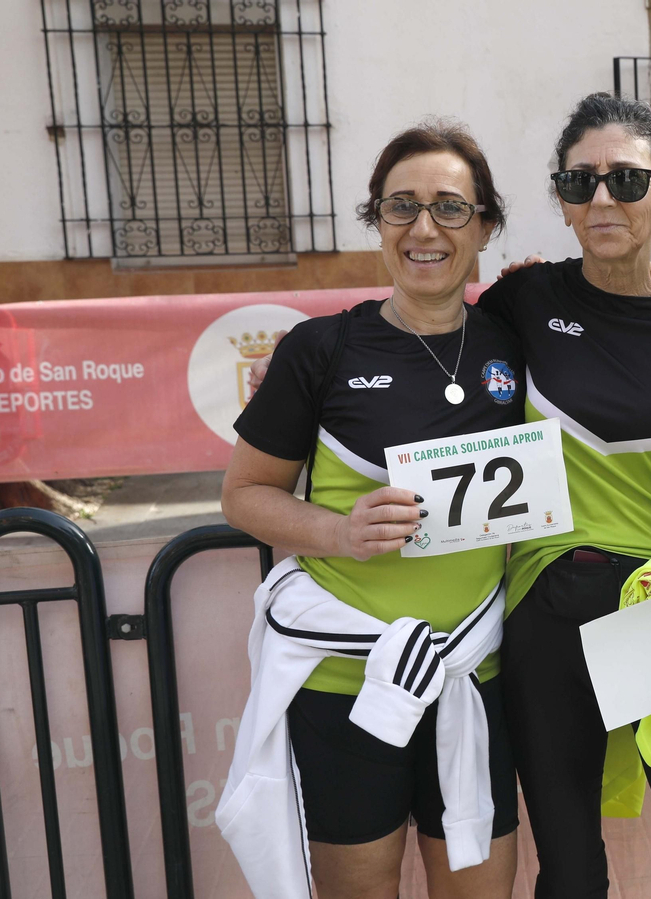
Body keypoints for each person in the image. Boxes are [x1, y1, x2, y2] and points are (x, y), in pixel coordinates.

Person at [221, 120, 521, 899]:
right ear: (377, 222)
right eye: (401, 206)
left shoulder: (513, 343)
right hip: (344, 687)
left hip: (472, 676)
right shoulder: (321, 350)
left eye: (451, 208)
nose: (425, 228)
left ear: (485, 225)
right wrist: (337, 531)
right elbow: (243, 494)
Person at [476, 93, 651, 899]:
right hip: (546, 603)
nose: (603, 199)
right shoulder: (523, 302)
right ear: (562, 203)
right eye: (581, 182)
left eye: (628, 181)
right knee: (568, 864)